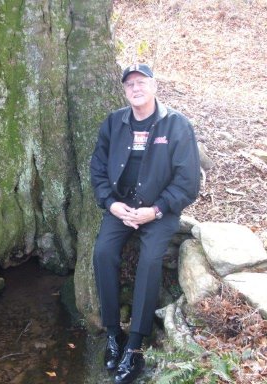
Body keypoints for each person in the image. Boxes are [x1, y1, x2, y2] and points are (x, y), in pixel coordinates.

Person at [90, 64, 200, 384]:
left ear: (154, 86)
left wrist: (157, 210)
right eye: (130, 85)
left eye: (141, 82)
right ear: (124, 91)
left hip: (159, 212)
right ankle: (114, 334)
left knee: (151, 260)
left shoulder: (176, 125)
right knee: (103, 253)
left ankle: (136, 343)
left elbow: (187, 181)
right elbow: (97, 169)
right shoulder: (114, 123)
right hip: (121, 208)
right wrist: (112, 204)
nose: (135, 88)